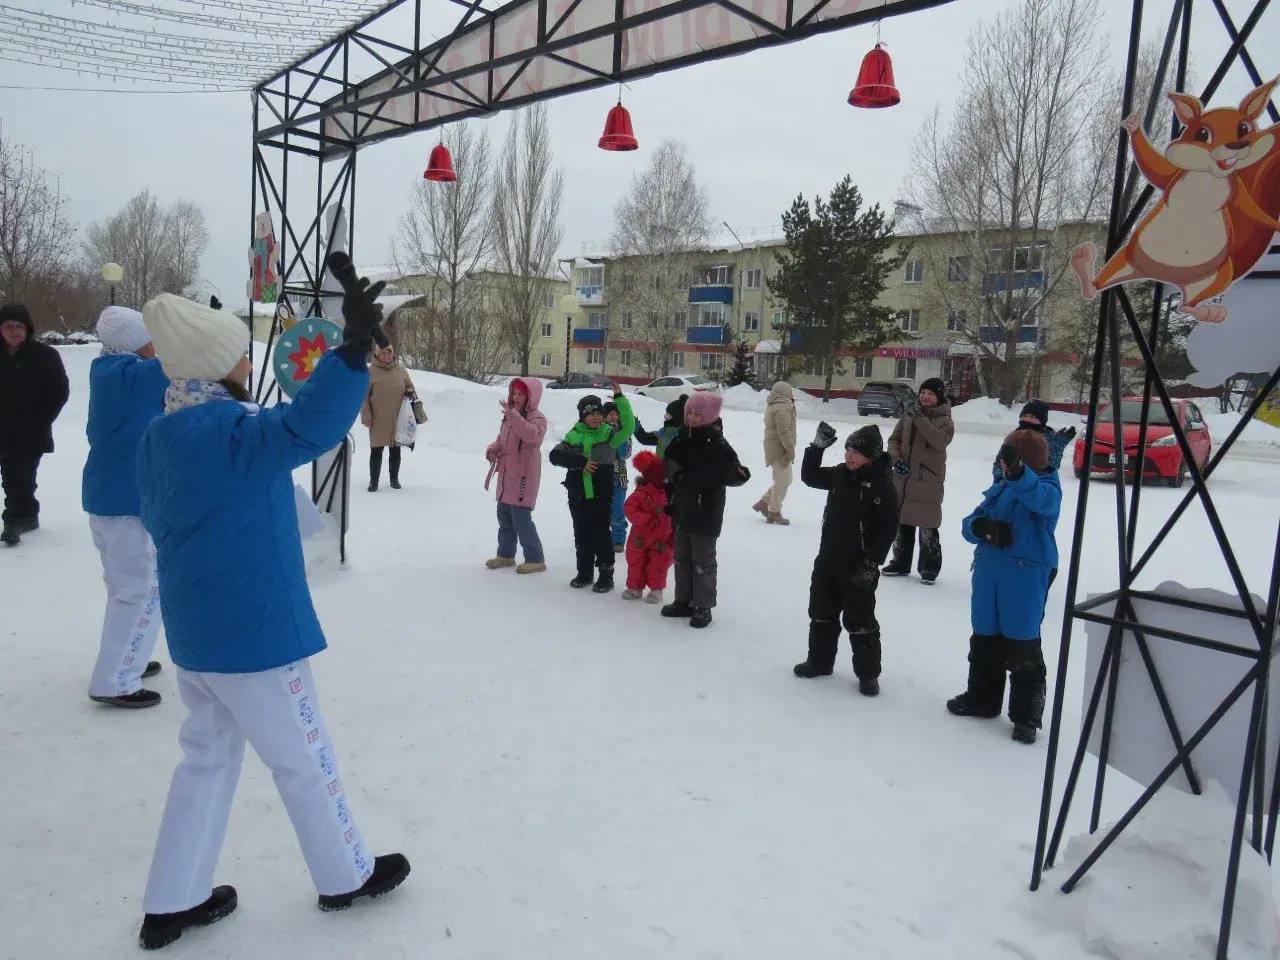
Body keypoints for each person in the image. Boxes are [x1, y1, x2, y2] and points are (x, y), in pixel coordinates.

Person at [134, 270, 409, 950]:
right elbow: (307, 426)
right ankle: (345, 873)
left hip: (198, 636)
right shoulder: (232, 432)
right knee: (303, 756)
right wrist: (350, 354)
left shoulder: (160, 434)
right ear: (215, 364)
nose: (246, 361)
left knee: (205, 759)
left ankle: (173, 898)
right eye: (238, 352)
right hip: (254, 635)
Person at [949, 428, 1062, 745]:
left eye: (1007, 459)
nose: (1001, 464)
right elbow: (970, 522)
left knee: (1022, 640)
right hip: (989, 572)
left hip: (1024, 575)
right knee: (984, 636)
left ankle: (1026, 717)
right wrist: (980, 526)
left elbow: (1038, 498)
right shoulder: (1000, 488)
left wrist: (1018, 474)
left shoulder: (1048, 489)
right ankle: (982, 699)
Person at [82, 306, 169, 709]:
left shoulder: (108, 371)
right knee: (138, 590)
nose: (156, 344)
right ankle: (115, 679)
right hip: (126, 499)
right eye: (150, 337)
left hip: (107, 495)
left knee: (125, 587)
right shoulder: (137, 376)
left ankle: (128, 656)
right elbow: (189, 360)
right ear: (135, 342)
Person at [793, 422, 900, 695]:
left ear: (871, 456)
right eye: (847, 450)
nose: (849, 456)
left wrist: (873, 562)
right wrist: (816, 448)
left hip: (858, 565)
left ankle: (868, 674)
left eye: (856, 452)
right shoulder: (841, 474)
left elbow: (888, 529)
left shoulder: (881, 486)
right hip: (828, 558)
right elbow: (810, 476)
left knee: (860, 620)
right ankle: (819, 661)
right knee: (821, 612)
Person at [660, 391, 749, 629]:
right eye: (689, 412)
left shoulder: (717, 443)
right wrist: (675, 473)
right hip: (682, 508)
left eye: (697, 414)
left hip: (705, 509)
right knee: (681, 558)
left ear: (708, 416)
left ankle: (703, 605)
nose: (691, 417)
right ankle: (683, 600)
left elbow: (734, 471)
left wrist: (736, 474)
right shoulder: (682, 436)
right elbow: (668, 459)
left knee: (702, 560)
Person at [549, 388, 635, 593]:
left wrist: (620, 398)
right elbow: (555, 456)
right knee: (581, 533)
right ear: (583, 416)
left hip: (600, 494)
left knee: (601, 534)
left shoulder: (609, 434)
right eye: (591, 414)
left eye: (599, 413)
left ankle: (606, 575)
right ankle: (585, 572)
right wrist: (580, 462)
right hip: (578, 494)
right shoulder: (573, 435)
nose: (596, 417)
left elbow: (629, 426)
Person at [0, 303, 69, 545]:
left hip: (29, 430)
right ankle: (25, 514)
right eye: (8, 326)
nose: (14, 331)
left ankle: (18, 519)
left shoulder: (45, 356)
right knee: (12, 476)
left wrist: (41, 419)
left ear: (27, 328)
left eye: (19, 326)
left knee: (20, 476)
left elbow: (59, 391)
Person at [883, 377, 954, 583]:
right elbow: (894, 440)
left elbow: (939, 442)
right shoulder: (909, 413)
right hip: (904, 477)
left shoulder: (945, 420)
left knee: (927, 524)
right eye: (923, 392)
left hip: (927, 479)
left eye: (930, 394)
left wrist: (920, 418)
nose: (925, 396)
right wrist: (896, 458)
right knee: (903, 521)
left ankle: (929, 567)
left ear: (939, 397)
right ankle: (900, 562)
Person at [484, 377, 548, 574]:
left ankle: (535, 559)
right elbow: (501, 439)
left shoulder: (537, 418)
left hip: (524, 477)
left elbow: (532, 436)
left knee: (521, 518)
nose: (516, 397)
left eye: (521, 394)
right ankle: (505, 554)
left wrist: (514, 416)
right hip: (506, 475)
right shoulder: (510, 417)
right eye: (514, 393)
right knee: (504, 516)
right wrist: (493, 449)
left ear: (531, 397)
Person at [360, 343, 417, 491]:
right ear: (377, 354)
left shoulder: (401, 370)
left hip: (398, 418)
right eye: (383, 353)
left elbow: (410, 386)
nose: (386, 356)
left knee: (395, 449)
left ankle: (394, 479)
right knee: (376, 450)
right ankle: (374, 482)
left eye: (389, 352)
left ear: (393, 353)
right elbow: (363, 397)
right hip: (378, 419)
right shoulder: (371, 372)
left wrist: (410, 392)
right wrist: (366, 416)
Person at [621, 450, 673, 603]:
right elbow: (629, 508)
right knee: (635, 562)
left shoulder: (671, 493)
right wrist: (647, 519)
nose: (665, 480)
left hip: (662, 538)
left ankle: (656, 590)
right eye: (662, 477)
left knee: (659, 564)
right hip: (639, 537)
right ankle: (634, 588)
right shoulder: (641, 493)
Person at [990, 399, 1077, 480]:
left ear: (1042, 421)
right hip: (1009, 485)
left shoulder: (1048, 438)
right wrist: (1003, 471)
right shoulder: (1013, 437)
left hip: (1037, 486)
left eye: (1032, 417)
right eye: (1024, 415)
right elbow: (997, 468)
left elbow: (1051, 469)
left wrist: (1058, 447)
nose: (1027, 419)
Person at [753, 380, 797, 525]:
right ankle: (774, 512)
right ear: (784, 392)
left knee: (785, 479)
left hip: (777, 447)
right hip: (779, 449)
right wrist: (789, 449)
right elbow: (783, 431)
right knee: (782, 480)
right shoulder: (781, 408)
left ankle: (764, 502)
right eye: (790, 391)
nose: (792, 394)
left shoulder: (779, 405)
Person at [605, 401, 631, 551]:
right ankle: (601, 536)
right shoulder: (599, 431)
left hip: (619, 479)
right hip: (601, 478)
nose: (613, 417)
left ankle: (618, 539)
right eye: (610, 414)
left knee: (617, 510)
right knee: (601, 509)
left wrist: (618, 436)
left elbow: (625, 454)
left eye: (616, 414)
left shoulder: (624, 432)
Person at [633, 394, 686, 459]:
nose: (665, 416)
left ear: (676, 417)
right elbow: (645, 439)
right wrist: (634, 422)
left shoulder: (682, 435)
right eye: (666, 413)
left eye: (668, 414)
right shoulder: (664, 431)